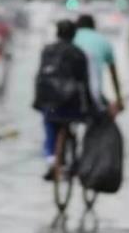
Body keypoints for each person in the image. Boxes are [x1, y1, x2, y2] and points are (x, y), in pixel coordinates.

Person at [36, 20, 91, 181]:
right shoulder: (78, 53)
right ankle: (71, 160)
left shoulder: (47, 50)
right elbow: (84, 82)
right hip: (71, 103)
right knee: (73, 124)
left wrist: (38, 101)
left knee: (49, 126)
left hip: (49, 102)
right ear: (74, 35)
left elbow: (40, 77)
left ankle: (51, 159)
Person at [74, 14, 124, 119]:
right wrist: (119, 99)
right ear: (94, 26)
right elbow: (113, 75)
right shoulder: (103, 42)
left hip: (63, 94)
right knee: (107, 115)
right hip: (92, 95)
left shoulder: (71, 39)